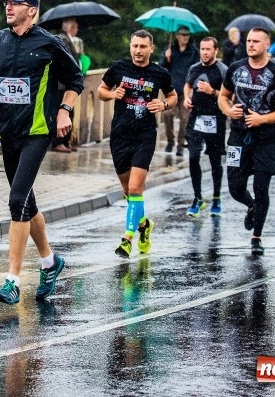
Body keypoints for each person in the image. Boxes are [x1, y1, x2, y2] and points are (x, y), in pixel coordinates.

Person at [0, 0, 83, 305]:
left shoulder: (50, 44)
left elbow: (75, 80)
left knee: (16, 199)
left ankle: (13, 280)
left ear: (31, 10)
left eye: (15, 3)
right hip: (8, 132)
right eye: (6, 2)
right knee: (26, 203)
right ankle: (50, 262)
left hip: (38, 131)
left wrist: (64, 110)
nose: (8, 7)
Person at [218, 28, 275, 255]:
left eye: (256, 41)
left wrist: (263, 119)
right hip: (237, 135)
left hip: (266, 138)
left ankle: (256, 237)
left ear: (266, 45)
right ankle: (250, 205)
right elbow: (223, 97)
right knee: (235, 187)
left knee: (261, 187)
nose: (251, 45)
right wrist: (228, 110)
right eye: (249, 41)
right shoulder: (236, 68)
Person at [97, 30, 176, 257]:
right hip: (120, 135)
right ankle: (144, 225)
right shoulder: (119, 69)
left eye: (142, 47)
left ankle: (126, 240)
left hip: (145, 136)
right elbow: (101, 91)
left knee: (135, 188)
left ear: (151, 48)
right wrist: (113, 95)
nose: (138, 51)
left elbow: (173, 96)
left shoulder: (159, 73)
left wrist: (164, 105)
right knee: (127, 192)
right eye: (134, 46)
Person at [183, 37, 227, 217]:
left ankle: (216, 197)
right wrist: (186, 97)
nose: (205, 52)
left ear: (216, 51)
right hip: (196, 118)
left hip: (216, 119)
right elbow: (187, 85)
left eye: (208, 49)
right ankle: (198, 198)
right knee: (193, 157)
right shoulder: (194, 68)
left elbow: (228, 95)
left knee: (215, 160)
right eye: (202, 49)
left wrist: (213, 92)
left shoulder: (222, 70)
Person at [159, 26, 199, 155]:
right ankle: (170, 141)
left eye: (187, 34)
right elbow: (161, 68)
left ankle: (180, 144)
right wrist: (166, 58)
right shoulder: (169, 49)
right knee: (167, 114)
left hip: (186, 90)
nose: (185, 37)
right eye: (182, 34)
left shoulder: (193, 52)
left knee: (185, 119)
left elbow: (197, 69)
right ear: (177, 36)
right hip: (172, 91)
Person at [52, 17, 84, 153]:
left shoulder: (66, 39)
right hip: (61, 84)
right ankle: (58, 142)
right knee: (62, 112)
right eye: (75, 27)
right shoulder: (63, 39)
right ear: (71, 28)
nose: (77, 30)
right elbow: (67, 61)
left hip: (65, 84)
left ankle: (65, 141)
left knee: (68, 112)